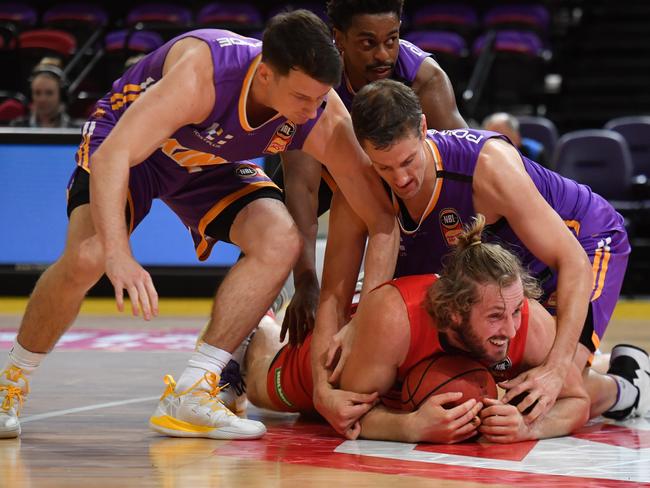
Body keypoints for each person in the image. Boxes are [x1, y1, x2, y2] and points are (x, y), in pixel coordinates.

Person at [0, 10, 398, 440]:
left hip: (207, 160)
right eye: (303, 98)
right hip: (131, 146)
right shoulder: (203, 75)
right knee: (89, 257)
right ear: (265, 75)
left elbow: (380, 217)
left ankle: (194, 390)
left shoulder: (320, 113)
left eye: (320, 98)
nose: (310, 111)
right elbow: (112, 156)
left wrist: (371, 313)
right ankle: (10, 384)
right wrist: (119, 254)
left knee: (280, 238)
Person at [314, 78, 630, 437]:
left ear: (423, 128)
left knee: (554, 388)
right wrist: (322, 391)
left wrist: (557, 369)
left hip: (581, 239)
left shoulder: (487, 167)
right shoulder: (360, 187)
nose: (400, 179)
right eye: (385, 167)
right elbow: (333, 295)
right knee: (479, 374)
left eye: (407, 161)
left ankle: (625, 386)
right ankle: (596, 367)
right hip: (501, 270)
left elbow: (572, 261)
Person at [238, 215, 649, 443]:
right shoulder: (394, 319)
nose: (509, 329)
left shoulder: (526, 321)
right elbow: (345, 409)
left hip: (427, 358)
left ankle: (625, 380)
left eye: (515, 312)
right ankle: (265, 319)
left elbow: (573, 399)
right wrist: (409, 426)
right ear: (453, 314)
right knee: (261, 384)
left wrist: (529, 426)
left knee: (548, 384)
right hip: (373, 344)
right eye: (494, 317)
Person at [276, 0, 466, 347]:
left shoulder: (425, 79)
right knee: (271, 226)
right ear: (339, 39)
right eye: (368, 43)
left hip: (397, 178)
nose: (382, 55)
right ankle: (236, 359)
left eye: (391, 40)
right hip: (332, 173)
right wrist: (305, 280)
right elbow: (301, 188)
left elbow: (462, 168)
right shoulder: (315, 80)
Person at [10, 58, 77, 128]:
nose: (43, 99)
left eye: (49, 93)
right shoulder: (17, 127)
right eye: (37, 93)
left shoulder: (79, 131)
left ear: (61, 95)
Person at [482, 112, 548, 168]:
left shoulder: (534, 152)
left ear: (517, 137)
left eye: (501, 138)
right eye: (491, 139)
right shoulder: (483, 157)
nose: (495, 144)